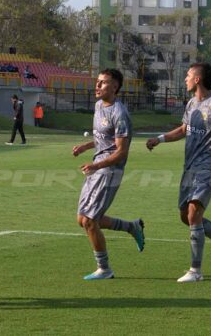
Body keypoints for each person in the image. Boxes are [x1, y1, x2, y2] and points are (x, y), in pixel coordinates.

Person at [146, 62, 211, 283]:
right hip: (190, 168)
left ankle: (195, 271)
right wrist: (159, 139)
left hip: (209, 167)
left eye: (188, 75)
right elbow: (183, 130)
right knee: (185, 217)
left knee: (194, 213)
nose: (185, 79)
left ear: (197, 79)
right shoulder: (190, 104)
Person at [72, 69, 146, 280]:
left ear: (115, 87)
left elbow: (121, 151)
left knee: (89, 221)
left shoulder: (119, 113)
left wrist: (97, 165)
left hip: (110, 170)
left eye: (103, 83)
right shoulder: (98, 106)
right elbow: (103, 138)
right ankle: (131, 226)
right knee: (82, 219)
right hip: (97, 166)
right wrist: (85, 147)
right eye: (98, 82)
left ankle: (104, 269)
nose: (98, 86)